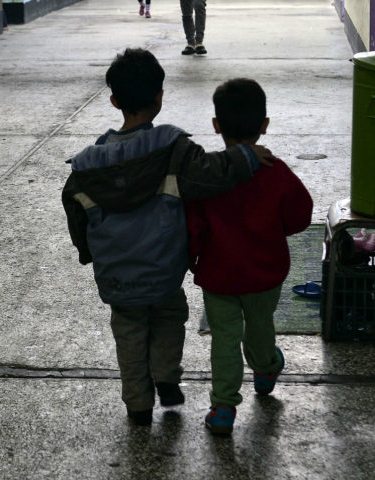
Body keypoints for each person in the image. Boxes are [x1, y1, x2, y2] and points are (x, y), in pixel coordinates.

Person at [61, 49, 272, 427]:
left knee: (128, 334)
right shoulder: (174, 149)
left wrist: (88, 252)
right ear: (160, 96)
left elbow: (75, 211)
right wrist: (249, 156)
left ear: (114, 101)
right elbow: (213, 174)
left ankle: (138, 405)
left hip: (117, 277)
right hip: (163, 273)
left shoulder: (89, 164)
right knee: (169, 318)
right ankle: (167, 378)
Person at [186, 78, 313, 435]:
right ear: (264, 125)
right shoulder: (276, 171)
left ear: (216, 126)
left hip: (218, 276)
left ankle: (223, 408)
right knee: (260, 326)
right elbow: (300, 215)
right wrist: (275, 233)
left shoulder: (208, 175)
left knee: (224, 338)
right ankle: (266, 367)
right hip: (264, 272)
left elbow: (192, 226)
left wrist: (193, 256)